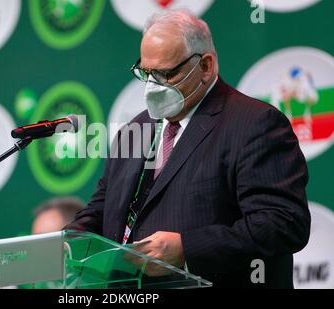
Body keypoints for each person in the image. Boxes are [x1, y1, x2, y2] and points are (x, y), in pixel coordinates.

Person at [65, 8, 311, 288]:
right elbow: (102, 209)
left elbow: (283, 223)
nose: (152, 86)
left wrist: (187, 249)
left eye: (165, 74)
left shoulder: (254, 123)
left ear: (205, 66)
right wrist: (72, 237)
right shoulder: (136, 128)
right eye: (145, 72)